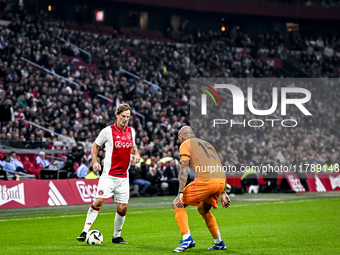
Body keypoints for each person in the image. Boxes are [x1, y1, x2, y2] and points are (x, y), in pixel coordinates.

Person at [77, 103, 141, 244]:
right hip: (109, 175)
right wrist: (95, 162)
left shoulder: (131, 131)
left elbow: (133, 147)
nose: (125, 119)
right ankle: (84, 232)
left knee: (122, 207)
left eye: (128, 117)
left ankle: (116, 236)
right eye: (123, 116)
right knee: (99, 201)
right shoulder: (107, 131)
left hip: (124, 177)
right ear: (117, 115)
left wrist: (136, 155)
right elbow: (95, 145)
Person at [172, 126, 231, 252]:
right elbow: (220, 166)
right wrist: (224, 191)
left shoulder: (186, 144)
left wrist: (180, 193)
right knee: (203, 208)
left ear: (181, 136)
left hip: (207, 181)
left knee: (177, 204)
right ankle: (219, 242)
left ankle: (187, 238)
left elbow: (183, 168)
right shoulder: (207, 144)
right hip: (219, 181)